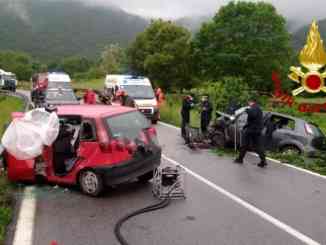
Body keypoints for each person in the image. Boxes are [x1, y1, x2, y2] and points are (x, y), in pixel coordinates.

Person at [234, 98, 267, 167]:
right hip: (257, 130)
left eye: (248, 102)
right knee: (257, 146)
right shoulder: (258, 108)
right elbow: (254, 119)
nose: (248, 103)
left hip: (251, 130)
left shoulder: (254, 107)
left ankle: (240, 159)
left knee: (244, 144)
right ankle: (263, 161)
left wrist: (247, 110)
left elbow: (253, 115)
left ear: (251, 102)